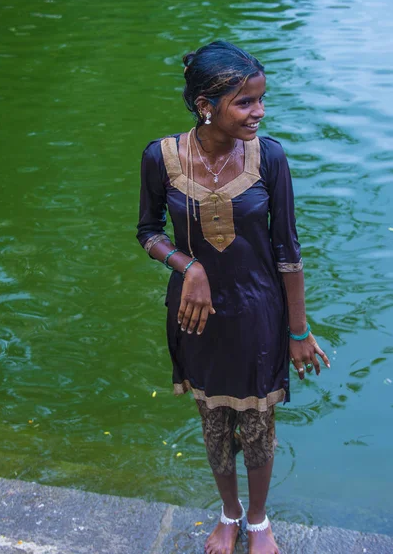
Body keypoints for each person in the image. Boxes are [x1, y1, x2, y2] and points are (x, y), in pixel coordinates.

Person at [136, 40, 330, 554]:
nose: (259, 112)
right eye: (245, 102)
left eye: (260, 100)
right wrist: (187, 265)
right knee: (214, 418)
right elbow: (147, 232)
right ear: (206, 104)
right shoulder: (162, 157)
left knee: (259, 420)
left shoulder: (270, 156)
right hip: (194, 312)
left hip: (258, 311)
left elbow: (288, 250)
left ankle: (260, 521)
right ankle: (229, 513)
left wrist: (299, 330)